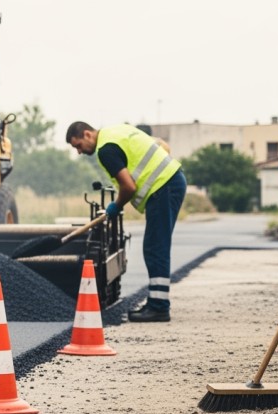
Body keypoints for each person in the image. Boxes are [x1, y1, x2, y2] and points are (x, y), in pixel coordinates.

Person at [67, 121, 188, 323]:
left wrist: (116, 206)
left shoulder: (105, 150)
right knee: (155, 245)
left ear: (87, 134)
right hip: (169, 182)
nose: (79, 152)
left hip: (163, 186)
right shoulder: (115, 130)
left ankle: (159, 307)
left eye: (78, 145)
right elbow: (160, 144)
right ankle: (157, 303)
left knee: (155, 247)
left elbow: (128, 186)